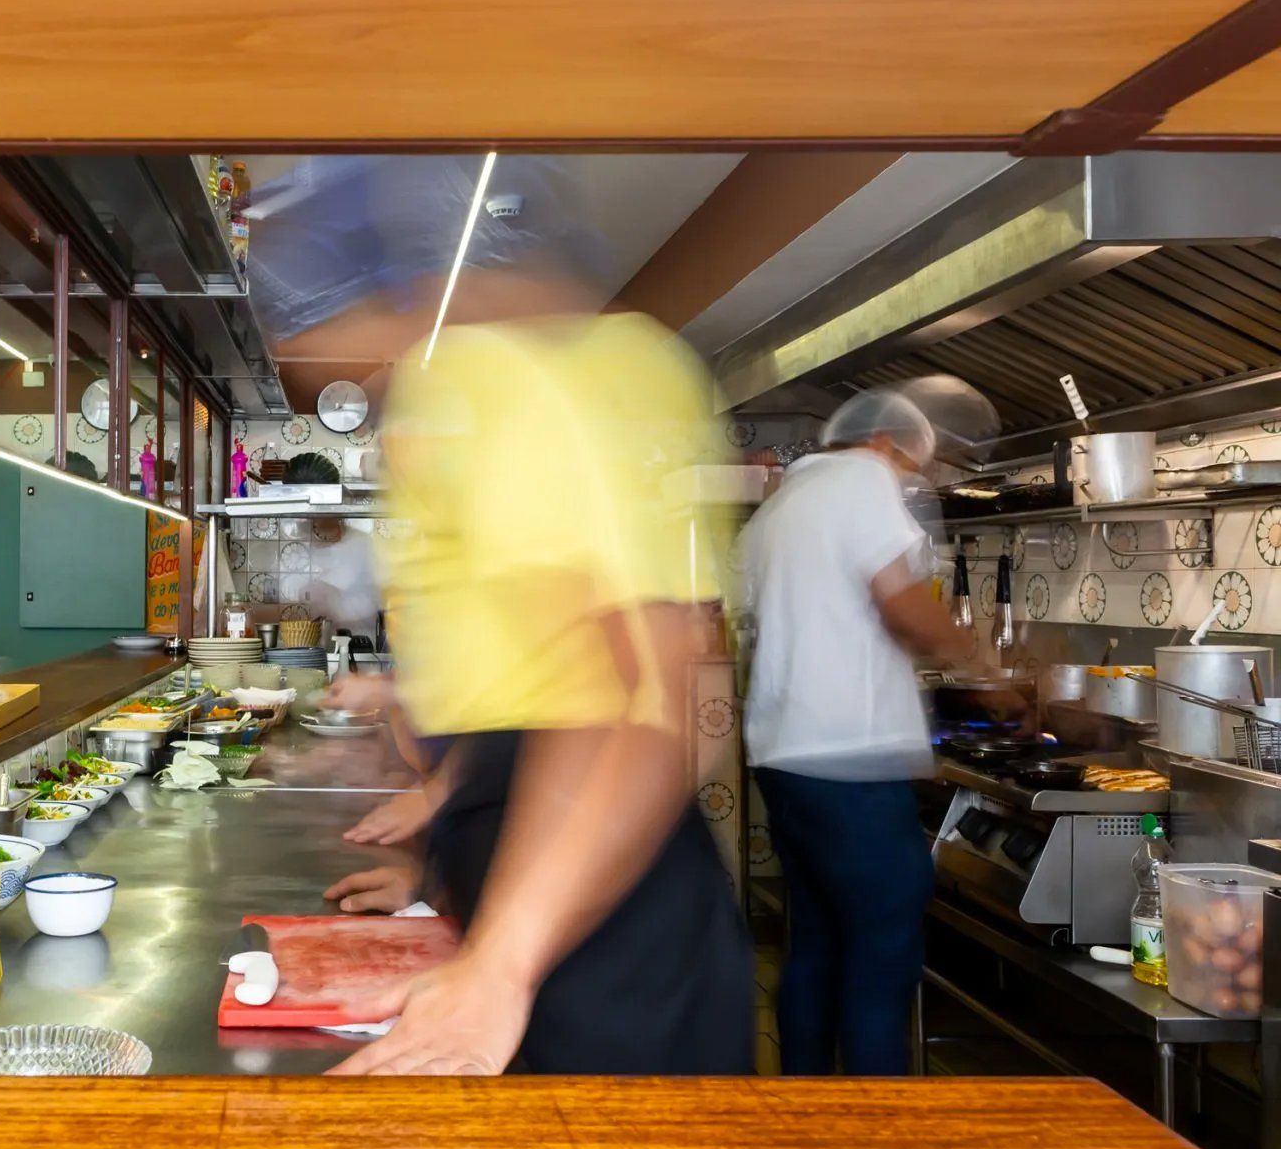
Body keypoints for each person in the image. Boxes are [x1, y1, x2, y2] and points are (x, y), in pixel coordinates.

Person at [327, 289, 754, 1077]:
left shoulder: (508, 387)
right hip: (537, 934)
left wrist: (500, 964)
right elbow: (514, 701)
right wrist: (439, 883)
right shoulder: (453, 400)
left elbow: (639, 710)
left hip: (616, 953)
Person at [737, 386, 978, 1075]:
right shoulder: (864, 478)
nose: (911, 483)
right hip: (850, 761)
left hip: (785, 758)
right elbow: (902, 605)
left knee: (816, 945)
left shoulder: (781, 504)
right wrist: (986, 670)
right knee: (881, 955)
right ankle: (883, 1124)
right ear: (884, 443)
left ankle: (807, 1104)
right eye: (913, 468)